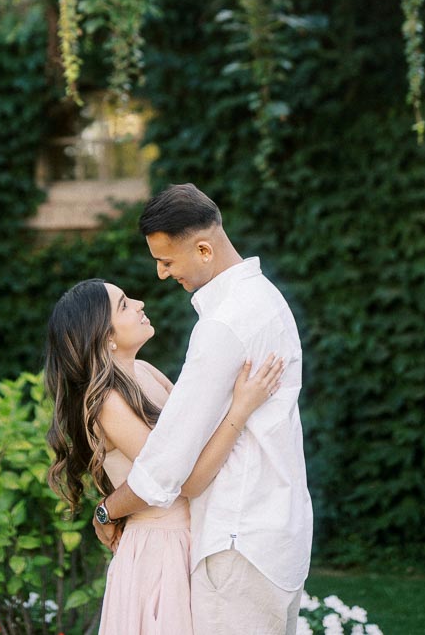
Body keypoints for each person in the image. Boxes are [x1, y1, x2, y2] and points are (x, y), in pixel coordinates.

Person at [92, 183, 313, 635]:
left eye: (167, 261)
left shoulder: (223, 324)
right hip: (278, 533)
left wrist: (106, 510)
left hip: (238, 542)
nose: (159, 275)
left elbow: (168, 467)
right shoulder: (267, 299)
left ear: (205, 249)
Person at [45, 276, 284, 635]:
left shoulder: (143, 371)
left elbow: (197, 438)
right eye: (124, 304)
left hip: (192, 535)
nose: (139, 303)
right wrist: (242, 408)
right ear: (105, 336)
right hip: (160, 551)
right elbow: (184, 480)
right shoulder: (107, 403)